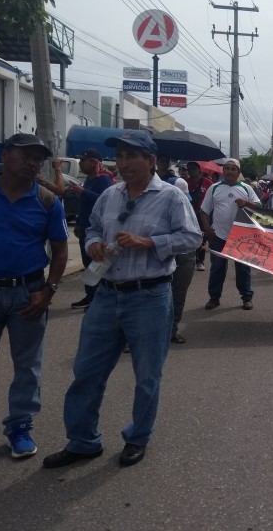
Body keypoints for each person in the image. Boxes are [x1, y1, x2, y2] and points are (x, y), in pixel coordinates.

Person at [43, 129, 201, 469]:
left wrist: (152, 243)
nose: (125, 163)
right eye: (121, 157)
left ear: (151, 161)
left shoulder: (171, 197)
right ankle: (83, 441)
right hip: (106, 293)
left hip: (150, 295)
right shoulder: (110, 195)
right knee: (86, 370)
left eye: (132, 156)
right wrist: (92, 245)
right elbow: (93, 228)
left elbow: (192, 238)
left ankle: (137, 437)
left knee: (147, 375)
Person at [0, 133, 68, 459]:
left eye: (38, 158)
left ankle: (20, 427)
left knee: (27, 366)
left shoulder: (47, 201)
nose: (33, 163)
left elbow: (60, 249)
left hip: (28, 294)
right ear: (7, 154)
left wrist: (49, 290)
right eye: (26, 155)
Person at [200, 159, 262, 311]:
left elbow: (259, 206)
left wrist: (247, 203)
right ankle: (214, 298)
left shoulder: (246, 188)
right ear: (223, 171)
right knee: (217, 268)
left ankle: (246, 297)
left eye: (233, 169)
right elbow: (204, 211)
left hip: (241, 237)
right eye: (227, 168)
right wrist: (207, 229)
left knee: (243, 269)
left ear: (238, 172)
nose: (229, 171)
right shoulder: (214, 188)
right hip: (218, 236)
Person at [67, 149, 115, 310]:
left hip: (98, 231)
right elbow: (84, 205)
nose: (81, 163)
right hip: (86, 229)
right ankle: (90, 295)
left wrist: (83, 191)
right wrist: (79, 223)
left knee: (97, 266)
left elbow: (104, 202)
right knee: (88, 264)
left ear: (94, 162)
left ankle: (98, 298)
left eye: (84, 160)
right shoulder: (89, 179)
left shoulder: (104, 180)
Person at [157, 154, 197, 344]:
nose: (160, 163)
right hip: (158, 249)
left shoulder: (178, 183)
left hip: (183, 250)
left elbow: (189, 219)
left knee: (178, 292)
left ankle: (172, 329)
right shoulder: (139, 188)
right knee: (152, 294)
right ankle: (140, 336)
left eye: (163, 160)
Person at [186, 162, 214, 272]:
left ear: (199, 170)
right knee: (189, 236)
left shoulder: (208, 183)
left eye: (193, 169)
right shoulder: (185, 183)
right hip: (188, 214)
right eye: (189, 169)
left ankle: (200, 260)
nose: (190, 171)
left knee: (202, 236)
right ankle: (190, 258)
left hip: (202, 214)